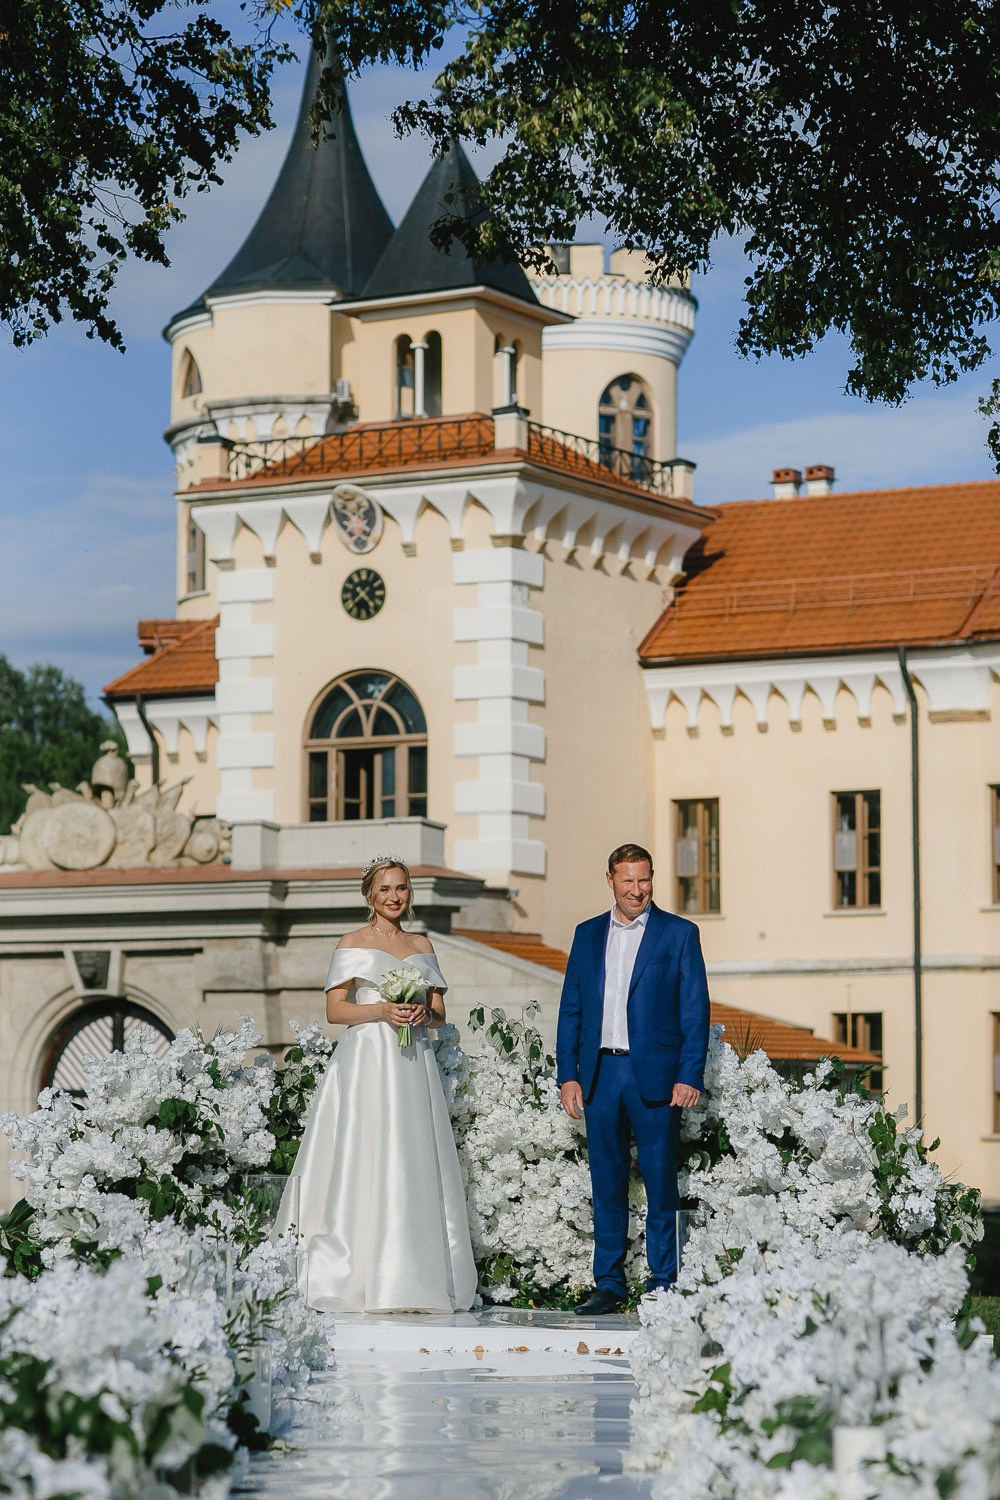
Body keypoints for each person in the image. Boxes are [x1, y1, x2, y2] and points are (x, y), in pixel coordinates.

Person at [279, 855, 477, 1314]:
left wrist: (422, 1014)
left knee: (411, 1153)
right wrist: (382, 1010)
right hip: (367, 1058)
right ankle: (347, 1274)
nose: (394, 896)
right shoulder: (352, 942)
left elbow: (439, 1013)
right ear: (370, 894)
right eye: (385, 888)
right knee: (361, 1150)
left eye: (401, 888)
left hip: (413, 1062)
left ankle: (413, 1275)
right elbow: (335, 1011)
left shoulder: (422, 944)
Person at [556, 842, 710, 1315]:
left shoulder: (678, 934)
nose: (637, 890)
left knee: (661, 1180)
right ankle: (609, 1283)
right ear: (610, 880)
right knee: (606, 1180)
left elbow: (695, 1010)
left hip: (656, 1077)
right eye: (628, 880)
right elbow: (571, 1008)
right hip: (600, 1073)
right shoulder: (586, 935)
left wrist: (689, 1074)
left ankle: (663, 1281)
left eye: (644, 880)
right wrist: (567, 1076)